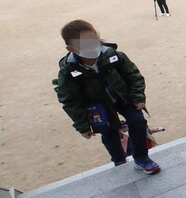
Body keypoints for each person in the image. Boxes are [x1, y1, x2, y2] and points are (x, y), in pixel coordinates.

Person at [55, 19, 161, 174]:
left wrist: (138, 97)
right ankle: (119, 160)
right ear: (71, 48)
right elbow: (70, 100)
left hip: (123, 98)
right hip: (99, 108)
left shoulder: (112, 55)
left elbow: (133, 75)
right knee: (109, 133)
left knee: (137, 121)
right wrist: (82, 125)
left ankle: (141, 158)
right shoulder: (69, 71)